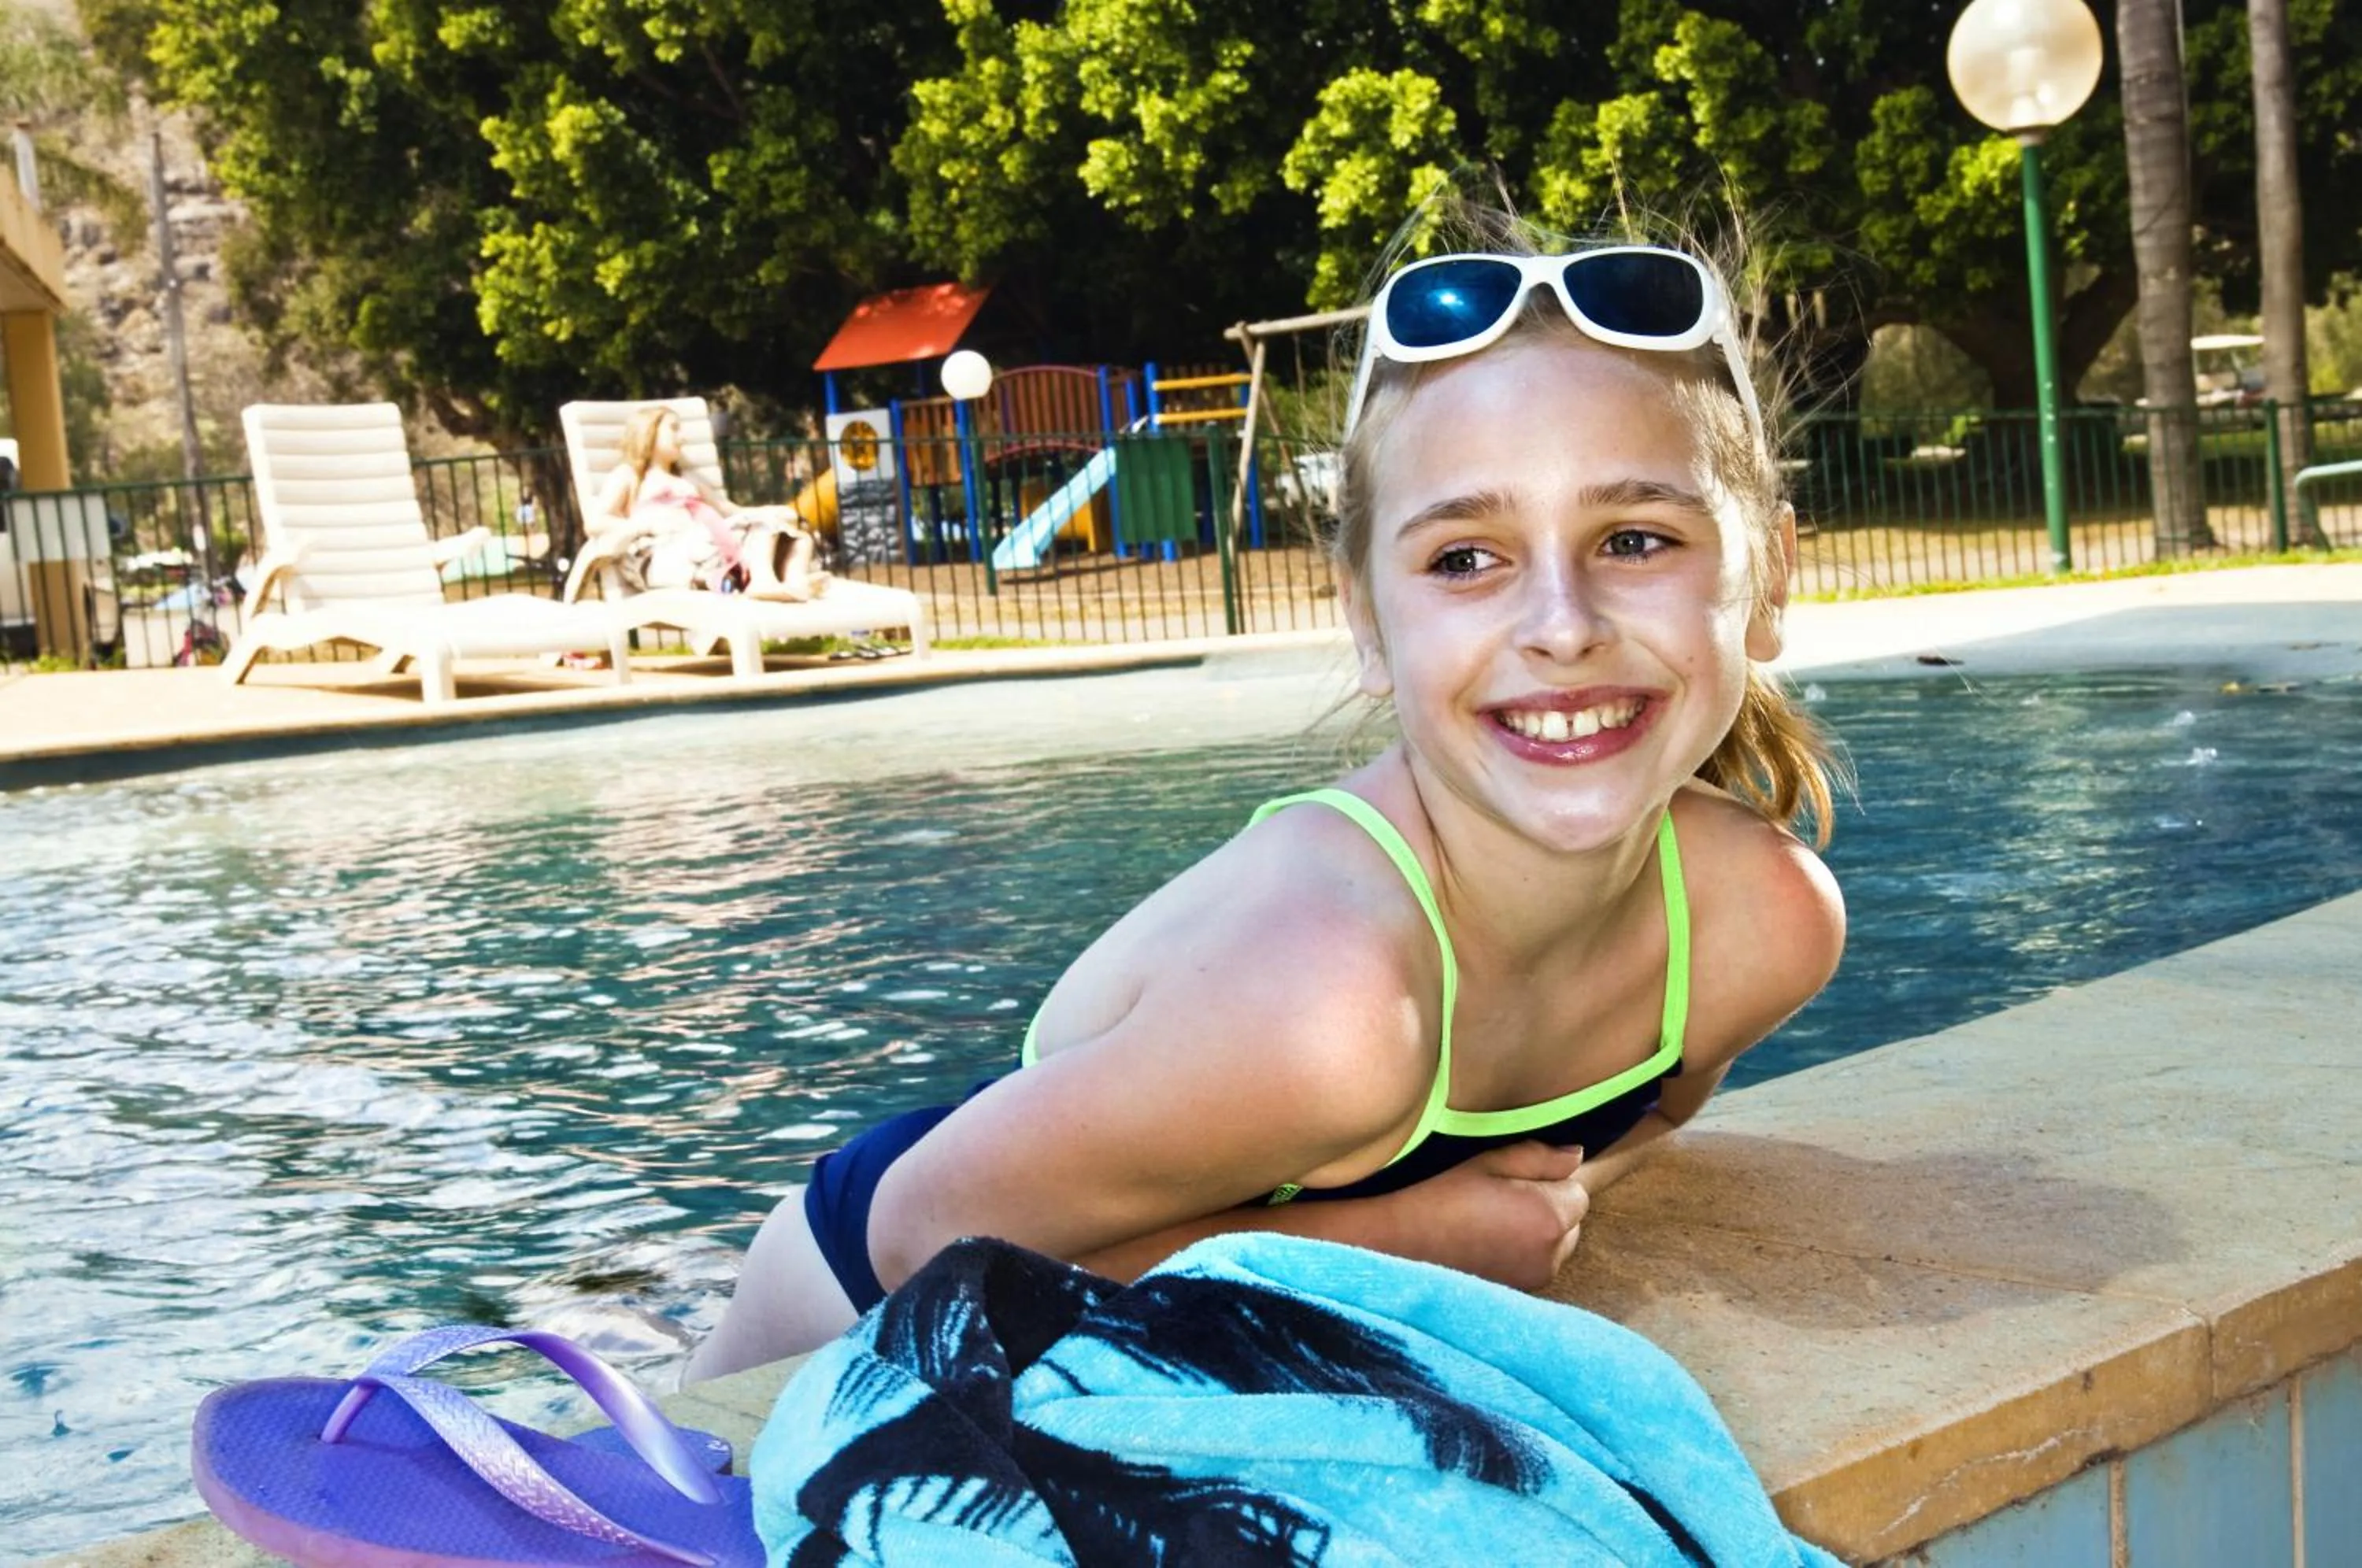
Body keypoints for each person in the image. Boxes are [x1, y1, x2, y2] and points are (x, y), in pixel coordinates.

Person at [683, 213, 1847, 1383]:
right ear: (1366, 620)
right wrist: (1407, 1238)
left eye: (1636, 539)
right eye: (1464, 559)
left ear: (1769, 581)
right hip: (848, 1319)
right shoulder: (1330, 1005)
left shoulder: (1761, 927)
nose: (1561, 625)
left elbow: (1635, 1131)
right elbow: (927, 1248)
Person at [591, 405, 831, 601]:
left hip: (707, 546)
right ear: (648, 433)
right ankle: (763, 582)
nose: (682, 438)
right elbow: (596, 522)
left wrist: (772, 512)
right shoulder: (631, 476)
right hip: (666, 555)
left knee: (797, 537)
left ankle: (795, 584)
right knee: (762, 526)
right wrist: (641, 527)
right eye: (674, 429)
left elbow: (729, 510)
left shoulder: (688, 478)